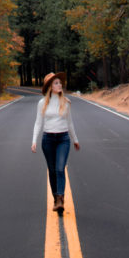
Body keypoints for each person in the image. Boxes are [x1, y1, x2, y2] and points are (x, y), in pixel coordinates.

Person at [31, 71, 80, 215]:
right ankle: (56, 199)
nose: (60, 85)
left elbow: (70, 123)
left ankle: (60, 199)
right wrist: (34, 140)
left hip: (63, 139)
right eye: (56, 83)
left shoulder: (66, 102)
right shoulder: (42, 103)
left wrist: (75, 139)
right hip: (48, 140)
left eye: (60, 82)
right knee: (52, 171)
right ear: (50, 87)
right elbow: (38, 123)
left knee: (60, 168)